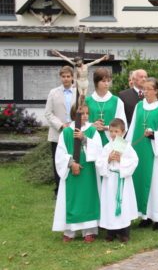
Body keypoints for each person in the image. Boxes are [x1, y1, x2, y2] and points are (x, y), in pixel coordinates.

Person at [126, 77, 158, 230]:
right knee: (140, 182)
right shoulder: (139, 106)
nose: (145, 92)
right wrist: (124, 148)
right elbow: (132, 128)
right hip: (140, 151)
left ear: (156, 91)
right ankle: (145, 216)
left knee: (156, 184)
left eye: (148, 89)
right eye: (143, 89)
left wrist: (154, 135)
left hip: (156, 153)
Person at [52, 104, 102, 243]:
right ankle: (69, 231)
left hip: (89, 172)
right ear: (74, 115)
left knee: (88, 199)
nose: (85, 116)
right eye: (82, 113)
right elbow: (60, 153)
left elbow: (99, 150)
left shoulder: (92, 131)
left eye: (87, 113)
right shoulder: (67, 131)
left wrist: (84, 138)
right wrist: (71, 163)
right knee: (71, 199)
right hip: (71, 172)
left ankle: (89, 231)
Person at [96, 118, 139, 243]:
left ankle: (124, 232)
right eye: (111, 131)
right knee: (110, 205)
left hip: (122, 180)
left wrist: (121, 160)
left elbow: (134, 161)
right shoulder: (107, 147)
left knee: (123, 205)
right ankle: (111, 232)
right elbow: (99, 162)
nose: (114, 134)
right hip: (110, 180)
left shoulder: (127, 146)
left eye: (117, 131)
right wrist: (108, 159)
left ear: (123, 132)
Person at [45, 66, 77, 197]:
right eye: (63, 76)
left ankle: (73, 186)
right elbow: (48, 113)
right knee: (59, 160)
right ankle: (59, 189)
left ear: (72, 77)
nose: (66, 79)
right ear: (60, 77)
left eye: (68, 76)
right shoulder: (53, 92)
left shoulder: (79, 92)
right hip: (58, 133)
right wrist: (61, 125)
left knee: (74, 158)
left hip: (74, 130)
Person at [86, 67, 127, 146]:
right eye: (103, 81)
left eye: (108, 81)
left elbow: (123, 125)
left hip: (112, 141)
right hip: (91, 141)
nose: (107, 84)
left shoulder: (117, 101)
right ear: (96, 82)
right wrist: (92, 125)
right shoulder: (87, 101)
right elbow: (81, 124)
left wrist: (106, 128)